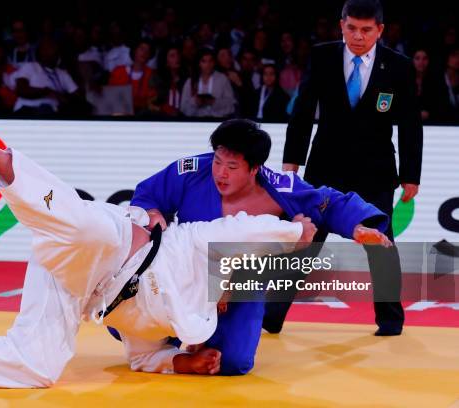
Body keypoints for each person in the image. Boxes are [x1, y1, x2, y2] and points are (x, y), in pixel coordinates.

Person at [0, 120, 316, 389]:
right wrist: (298, 231)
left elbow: (143, 356)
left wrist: (182, 364)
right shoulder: (201, 243)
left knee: (39, 367)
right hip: (116, 243)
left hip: (76, 283)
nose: (226, 297)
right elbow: (248, 229)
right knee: (82, 225)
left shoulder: (183, 318)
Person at [107, 118, 392, 376]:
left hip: (239, 281)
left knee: (230, 363)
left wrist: (357, 226)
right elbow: (148, 194)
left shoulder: (279, 190)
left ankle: (192, 336)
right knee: (125, 320)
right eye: (218, 161)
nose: (220, 173)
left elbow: (328, 202)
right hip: (183, 270)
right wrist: (152, 214)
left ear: (255, 169)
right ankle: (170, 337)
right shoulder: (192, 171)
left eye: (232, 167)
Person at [282, 0, 423, 336]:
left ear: (380, 30)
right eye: (351, 28)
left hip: (375, 170)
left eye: (366, 30)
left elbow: (410, 124)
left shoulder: (399, 66)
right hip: (325, 167)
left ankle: (390, 320)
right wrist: (291, 162)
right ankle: (271, 314)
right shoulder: (322, 56)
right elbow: (302, 111)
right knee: (304, 240)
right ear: (341, 25)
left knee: (381, 242)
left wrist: (411, 175)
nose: (358, 36)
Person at [180, 48, 236, 118]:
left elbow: (231, 104)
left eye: (210, 61)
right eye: (204, 61)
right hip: (196, 122)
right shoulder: (191, 81)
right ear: (199, 63)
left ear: (214, 62)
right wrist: (195, 102)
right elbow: (183, 107)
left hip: (217, 121)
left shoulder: (222, 79)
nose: (208, 65)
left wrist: (213, 102)